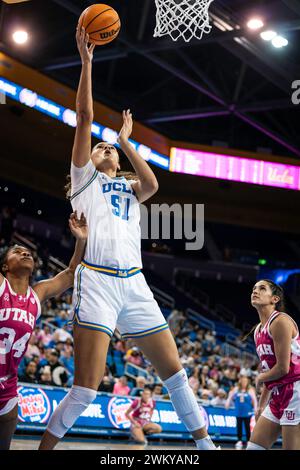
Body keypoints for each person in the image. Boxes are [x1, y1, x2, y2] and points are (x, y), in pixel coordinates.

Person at [38, 26, 217, 451]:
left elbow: (153, 185)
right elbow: (84, 118)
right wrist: (86, 62)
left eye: (109, 150)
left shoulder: (129, 184)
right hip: (96, 281)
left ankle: (206, 447)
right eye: (101, 147)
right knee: (86, 388)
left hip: (135, 283)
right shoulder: (84, 181)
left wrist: (125, 142)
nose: (105, 149)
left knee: (175, 373)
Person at [0, 211, 88, 450]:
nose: (25, 252)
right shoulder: (1, 285)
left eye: (28, 251)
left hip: (7, 388)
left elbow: (71, 273)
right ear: (5, 266)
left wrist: (80, 240)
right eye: (17, 251)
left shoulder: (36, 295)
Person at [246, 280, 300, 450]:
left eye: (262, 288)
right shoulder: (257, 331)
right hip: (278, 393)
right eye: (254, 288)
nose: (255, 291)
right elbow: (269, 370)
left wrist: (260, 378)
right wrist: (261, 405)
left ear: (275, 299)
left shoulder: (281, 321)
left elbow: (283, 368)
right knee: (254, 447)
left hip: (296, 390)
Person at [225, 376, 257, 449]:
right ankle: (239, 440)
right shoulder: (236, 389)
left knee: (247, 427)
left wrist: (255, 409)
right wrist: (227, 403)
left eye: (245, 381)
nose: (244, 383)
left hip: (247, 412)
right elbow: (230, 396)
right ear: (240, 381)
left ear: (247, 382)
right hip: (239, 412)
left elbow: (254, 400)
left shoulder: (250, 390)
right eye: (243, 381)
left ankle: (249, 440)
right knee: (239, 426)